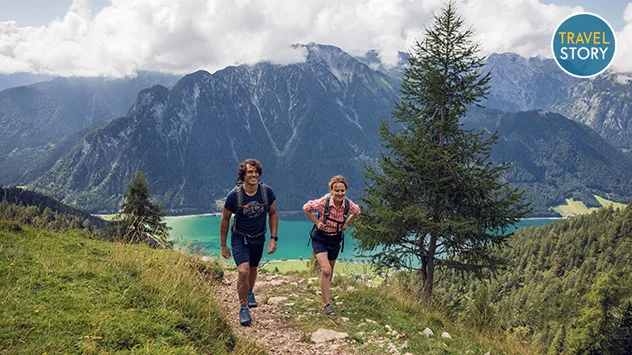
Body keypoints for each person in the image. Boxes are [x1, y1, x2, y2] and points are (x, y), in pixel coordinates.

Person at [220, 158, 278, 326]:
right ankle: (243, 307)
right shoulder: (234, 196)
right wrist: (223, 245)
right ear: (243, 175)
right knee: (243, 271)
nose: (253, 175)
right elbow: (225, 219)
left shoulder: (267, 192)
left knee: (252, 268)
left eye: (256, 172)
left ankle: (250, 291)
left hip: (259, 237)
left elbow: (273, 213)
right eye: (250, 172)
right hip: (240, 237)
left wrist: (273, 238)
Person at [303, 175, 360, 315]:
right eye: (337, 191)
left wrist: (346, 224)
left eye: (342, 190)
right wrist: (317, 222)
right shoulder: (324, 202)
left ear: (346, 190)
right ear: (332, 190)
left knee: (331, 268)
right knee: (326, 270)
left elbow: (357, 211)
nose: (340, 193)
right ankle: (326, 305)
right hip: (320, 238)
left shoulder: (348, 204)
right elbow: (306, 208)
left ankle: (327, 293)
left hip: (335, 239)